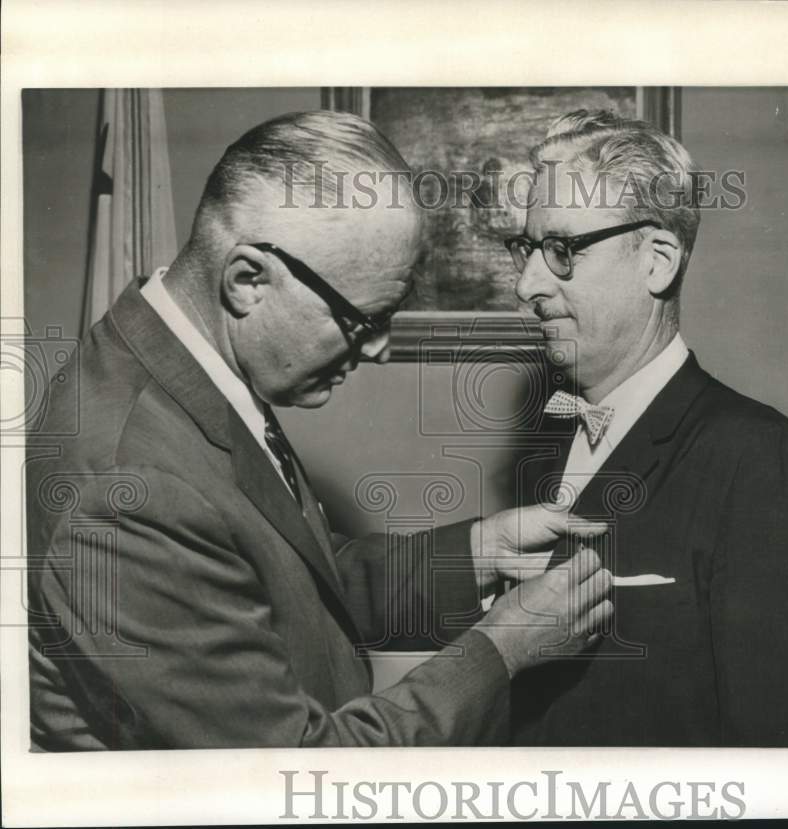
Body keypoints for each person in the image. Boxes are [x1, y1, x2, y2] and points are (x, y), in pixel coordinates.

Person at [27, 110, 613, 750]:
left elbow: (281, 575)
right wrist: (503, 649)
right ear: (248, 280)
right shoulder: (134, 488)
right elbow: (299, 774)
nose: (381, 350)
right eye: (365, 320)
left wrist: (478, 552)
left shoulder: (183, 364)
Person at [505, 109, 788, 747]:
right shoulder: (548, 449)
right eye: (527, 248)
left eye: (562, 249)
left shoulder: (765, 462)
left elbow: (776, 753)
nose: (526, 284)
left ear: (657, 260)